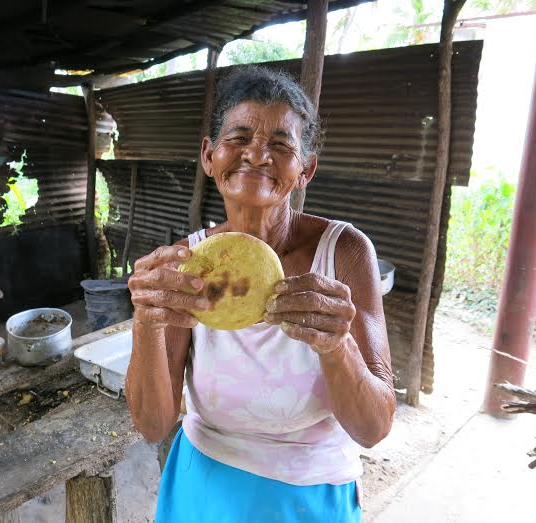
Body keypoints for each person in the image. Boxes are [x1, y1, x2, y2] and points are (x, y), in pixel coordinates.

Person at [125, 65, 395, 523]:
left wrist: (336, 345)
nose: (256, 155)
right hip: (203, 479)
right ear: (210, 156)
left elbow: (373, 428)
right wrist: (146, 324)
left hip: (309, 492)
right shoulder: (186, 266)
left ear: (305, 169)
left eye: (280, 145)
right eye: (239, 138)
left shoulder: (345, 253)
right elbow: (153, 425)